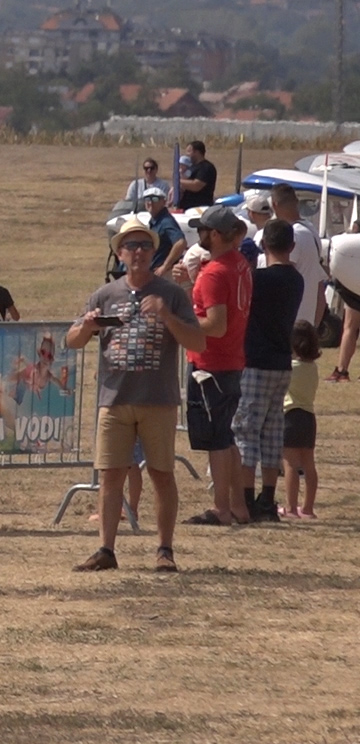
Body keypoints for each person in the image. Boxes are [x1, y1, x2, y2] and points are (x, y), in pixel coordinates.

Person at [65, 218, 203, 573]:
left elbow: (197, 342)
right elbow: (73, 340)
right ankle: (106, 550)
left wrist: (167, 315)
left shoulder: (171, 293)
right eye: (131, 246)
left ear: (154, 251)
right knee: (111, 475)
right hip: (114, 399)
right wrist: (87, 326)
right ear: (120, 253)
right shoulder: (105, 294)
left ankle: (165, 549)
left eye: (144, 245)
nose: (138, 252)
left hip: (158, 399)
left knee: (161, 474)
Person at [185, 206, 252, 527]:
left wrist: (181, 319)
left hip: (211, 363)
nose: (199, 236)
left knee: (216, 439)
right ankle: (238, 506)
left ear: (214, 234)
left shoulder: (216, 272)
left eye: (203, 231)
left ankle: (221, 507)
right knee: (226, 437)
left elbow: (215, 324)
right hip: (231, 360)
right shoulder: (238, 264)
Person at [234, 220, 302, 524]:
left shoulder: (258, 279)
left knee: (247, 431)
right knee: (273, 433)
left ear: (263, 246)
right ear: (292, 246)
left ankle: (246, 498)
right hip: (281, 362)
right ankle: (267, 498)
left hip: (256, 361)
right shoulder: (295, 279)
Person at [270, 185, 327, 330]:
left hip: (290, 320)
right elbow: (319, 282)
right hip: (306, 321)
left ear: (275, 205)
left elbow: (282, 278)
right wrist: (315, 324)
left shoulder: (292, 234)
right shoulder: (311, 230)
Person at [283, 321, 320, 519]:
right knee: (308, 465)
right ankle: (308, 507)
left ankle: (290, 507)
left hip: (291, 416)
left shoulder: (290, 368)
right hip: (308, 417)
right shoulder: (312, 368)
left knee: (290, 464)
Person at [140, 187, 185, 276]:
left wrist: (165, 266)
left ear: (164, 202)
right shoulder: (155, 220)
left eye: (155, 199)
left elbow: (181, 243)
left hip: (165, 275)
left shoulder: (166, 222)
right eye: (147, 199)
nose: (150, 202)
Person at [180, 140, 217, 208]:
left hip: (199, 208)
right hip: (186, 207)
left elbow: (196, 186)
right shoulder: (191, 167)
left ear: (196, 152)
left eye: (189, 151)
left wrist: (178, 181)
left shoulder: (206, 167)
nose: (187, 154)